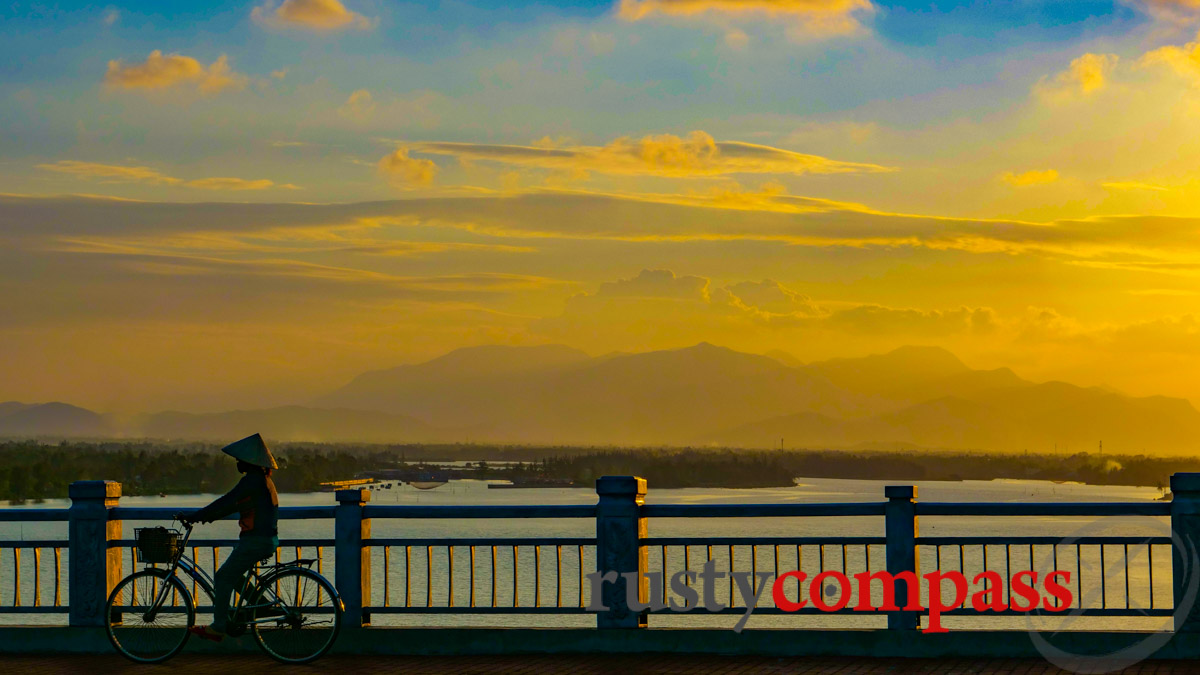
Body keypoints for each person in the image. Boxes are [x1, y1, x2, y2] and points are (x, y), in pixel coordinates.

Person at [176, 433, 279, 642]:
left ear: (249, 462)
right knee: (233, 575)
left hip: (255, 540)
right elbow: (232, 506)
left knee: (223, 577)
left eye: (240, 460)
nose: (238, 463)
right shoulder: (262, 481)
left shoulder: (252, 481)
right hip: (262, 539)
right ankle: (263, 605)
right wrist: (206, 517)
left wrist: (196, 516)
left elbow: (227, 500)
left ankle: (218, 625)